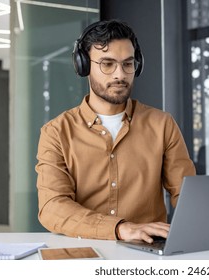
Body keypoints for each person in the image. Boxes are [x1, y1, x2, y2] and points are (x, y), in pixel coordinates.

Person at [35, 19, 196, 243]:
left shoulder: (162, 124)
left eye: (127, 64)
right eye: (107, 64)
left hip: (147, 252)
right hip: (84, 251)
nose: (120, 74)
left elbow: (187, 195)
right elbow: (52, 207)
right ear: (84, 66)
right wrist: (120, 229)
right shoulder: (56, 132)